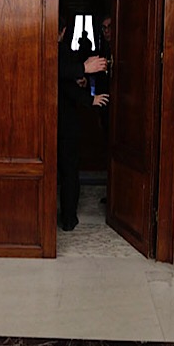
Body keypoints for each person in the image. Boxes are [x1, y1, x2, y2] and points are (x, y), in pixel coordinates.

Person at [58, 14, 108, 231]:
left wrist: (79, 78)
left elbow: (65, 80)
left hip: (60, 122)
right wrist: (83, 73)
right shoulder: (54, 51)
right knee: (68, 170)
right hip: (61, 122)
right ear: (63, 31)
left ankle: (68, 218)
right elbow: (56, 72)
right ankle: (68, 219)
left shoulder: (62, 51)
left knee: (67, 170)